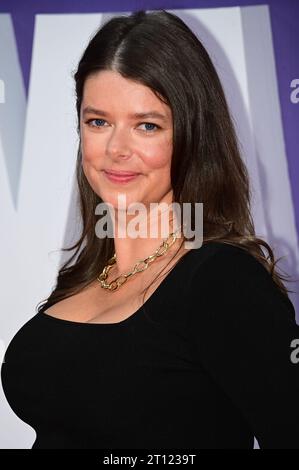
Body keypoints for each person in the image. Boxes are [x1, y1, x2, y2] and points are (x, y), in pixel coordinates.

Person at [1, 9, 299, 450]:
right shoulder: (83, 277)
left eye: (147, 125)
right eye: (98, 121)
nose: (116, 149)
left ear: (193, 135)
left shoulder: (222, 281)